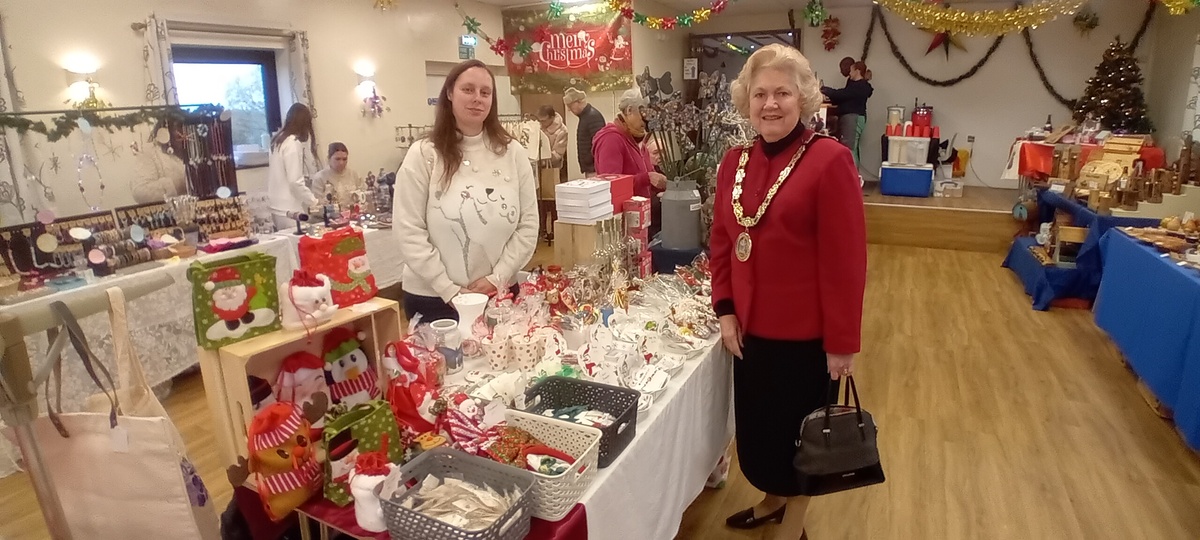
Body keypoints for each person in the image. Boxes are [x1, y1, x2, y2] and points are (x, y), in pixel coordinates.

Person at [711, 43, 866, 540]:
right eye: (760, 94)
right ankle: (772, 501)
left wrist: (841, 342)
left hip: (805, 340)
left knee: (803, 443)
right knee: (761, 436)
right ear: (747, 101)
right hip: (749, 334)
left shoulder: (830, 160)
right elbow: (722, 242)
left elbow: (846, 262)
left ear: (803, 99)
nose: (771, 104)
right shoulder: (733, 162)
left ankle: (792, 525)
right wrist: (725, 309)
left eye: (782, 93)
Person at [394, 59, 539, 322]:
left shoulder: (512, 152)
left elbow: (528, 225)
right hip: (433, 298)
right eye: (468, 90)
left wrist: (497, 278)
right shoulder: (424, 154)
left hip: (499, 294)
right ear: (450, 93)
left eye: (485, 92)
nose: (477, 99)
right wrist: (447, 288)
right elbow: (408, 229)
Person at [593, 89, 666, 199]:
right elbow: (610, 184)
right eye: (644, 114)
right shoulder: (611, 139)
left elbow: (649, 180)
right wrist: (646, 178)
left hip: (641, 206)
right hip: (622, 208)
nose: (648, 121)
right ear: (629, 110)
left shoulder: (638, 140)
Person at [267, 103, 321, 230]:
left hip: (276, 206)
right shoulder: (293, 143)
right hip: (290, 208)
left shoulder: (278, 141)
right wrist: (314, 201)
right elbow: (295, 181)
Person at [821, 61, 873, 168]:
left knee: (850, 149)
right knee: (851, 148)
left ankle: (853, 175)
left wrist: (825, 89)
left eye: (851, 70)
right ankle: (854, 174)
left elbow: (842, 94)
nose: (849, 73)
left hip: (853, 118)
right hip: (852, 118)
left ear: (857, 71)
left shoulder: (860, 86)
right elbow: (843, 96)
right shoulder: (855, 85)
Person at [537, 105, 568, 243]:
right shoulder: (536, 127)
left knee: (553, 202)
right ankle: (542, 231)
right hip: (538, 170)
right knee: (540, 203)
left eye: (544, 120)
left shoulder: (562, 130)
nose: (541, 123)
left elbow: (558, 154)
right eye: (540, 120)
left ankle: (554, 232)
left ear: (551, 118)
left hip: (554, 169)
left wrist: (542, 157)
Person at [564, 87, 606, 177]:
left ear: (578, 102)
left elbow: (599, 144)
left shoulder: (592, 117)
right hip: (591, 167)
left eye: (570, 106)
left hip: (595, 168)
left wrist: (591, 162)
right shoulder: (586, 117)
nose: (569, 109)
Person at [311, 142, 365, 209]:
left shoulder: (354, 175)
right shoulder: (319, 178)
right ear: (329, 159)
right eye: (337, 159)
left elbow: (363, 197)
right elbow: (317, 205)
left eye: (344, 159)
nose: (341, 163)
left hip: (353, 213)